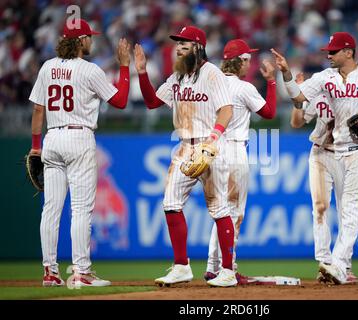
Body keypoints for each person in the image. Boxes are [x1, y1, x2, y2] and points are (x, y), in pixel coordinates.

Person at [272, 31, 358, 285]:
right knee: (356, 209)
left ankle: (340, 265)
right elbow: (297, 98)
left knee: (350, 207)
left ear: (349, 52)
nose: (328, 55)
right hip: (336, 150)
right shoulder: (325, 77)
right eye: (328, 51)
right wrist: (287, 74)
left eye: (333, 51)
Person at [29, 18, 131, 287]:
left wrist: (36, 146)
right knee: (81, 210)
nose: (91, 40)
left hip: (52, 138)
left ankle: (50, 272)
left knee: (50, 210)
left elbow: (38, 110)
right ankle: (81, 273)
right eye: (89, 37)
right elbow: (120, 101)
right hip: (79, 137)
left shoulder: (47, 67)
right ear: (81, 41)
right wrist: (123, 66)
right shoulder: (89, 70)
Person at [134, 26, 237, 287]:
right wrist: (142, 72)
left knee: (219, 208)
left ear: (198, 47)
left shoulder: (212, 74)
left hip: (210, 145)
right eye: (177, 43)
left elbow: (226, 110)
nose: (178, 47)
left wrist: (213, 140)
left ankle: (227, 271)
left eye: (184, 43)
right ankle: (181, 266)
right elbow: (152, 102)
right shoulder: (177, 77)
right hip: (183, 147)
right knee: (170, 203)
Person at [290, 73, 358, 285]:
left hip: (345, 155)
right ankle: (326, 263)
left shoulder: (353, 98)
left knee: (355, 210)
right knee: (319, 208)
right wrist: (298, 101)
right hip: (320, 154)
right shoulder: (318, 95)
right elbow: (296, 123)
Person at [202, 39, 277, 283]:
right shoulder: (243, 87)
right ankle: (228, 268)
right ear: (240, 61)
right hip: (233, 149)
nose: (250, 64)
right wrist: (271, 82)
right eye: (248, 59)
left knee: (220, 211)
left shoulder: (210, 82)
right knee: (233, 213)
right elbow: (269, 113)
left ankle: (214, 267)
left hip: (211, 149)